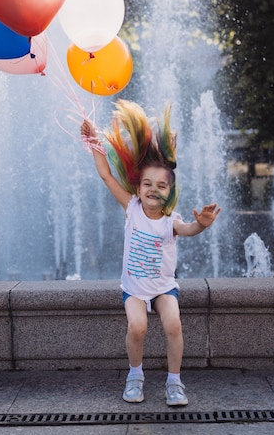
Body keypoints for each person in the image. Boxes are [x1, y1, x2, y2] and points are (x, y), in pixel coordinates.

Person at [81, 99, 221, 406]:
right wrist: (93, 141)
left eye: (160, 185)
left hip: (163, 288)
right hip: (133, 290)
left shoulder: (171, 221)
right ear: (137, 186)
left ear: (170, 190)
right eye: (146, 183)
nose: (152, 190)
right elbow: (106, 175)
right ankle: (135, 375)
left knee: (173, 324)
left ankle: (174, 382)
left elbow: (187, 230)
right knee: (138, 326)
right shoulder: (131, 208)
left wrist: (202, 224)